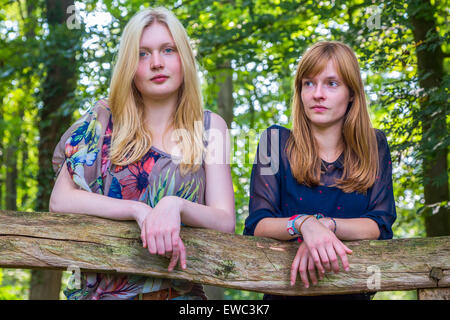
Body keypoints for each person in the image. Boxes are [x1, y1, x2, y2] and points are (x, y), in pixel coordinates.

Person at [50, 7, 235, 300]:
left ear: (184, 58)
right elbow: (60, 201)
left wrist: (175, 205)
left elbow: (225, 220)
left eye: (168, 50)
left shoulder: (211, 127)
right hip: (103, 293)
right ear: (128, 65)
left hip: (180, 294)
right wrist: (138, 211)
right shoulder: (103, 118)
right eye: (143, 54)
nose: (157, 63)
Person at [243, 41, 396, 300]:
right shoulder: (274, 142)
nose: (318, 94)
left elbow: (379, 225)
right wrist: (303, 225)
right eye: (309, 83)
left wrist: (323, 228)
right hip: (286, 293)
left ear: (351, 93)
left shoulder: (374, 145)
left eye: (332, 83)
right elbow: (258, 223)